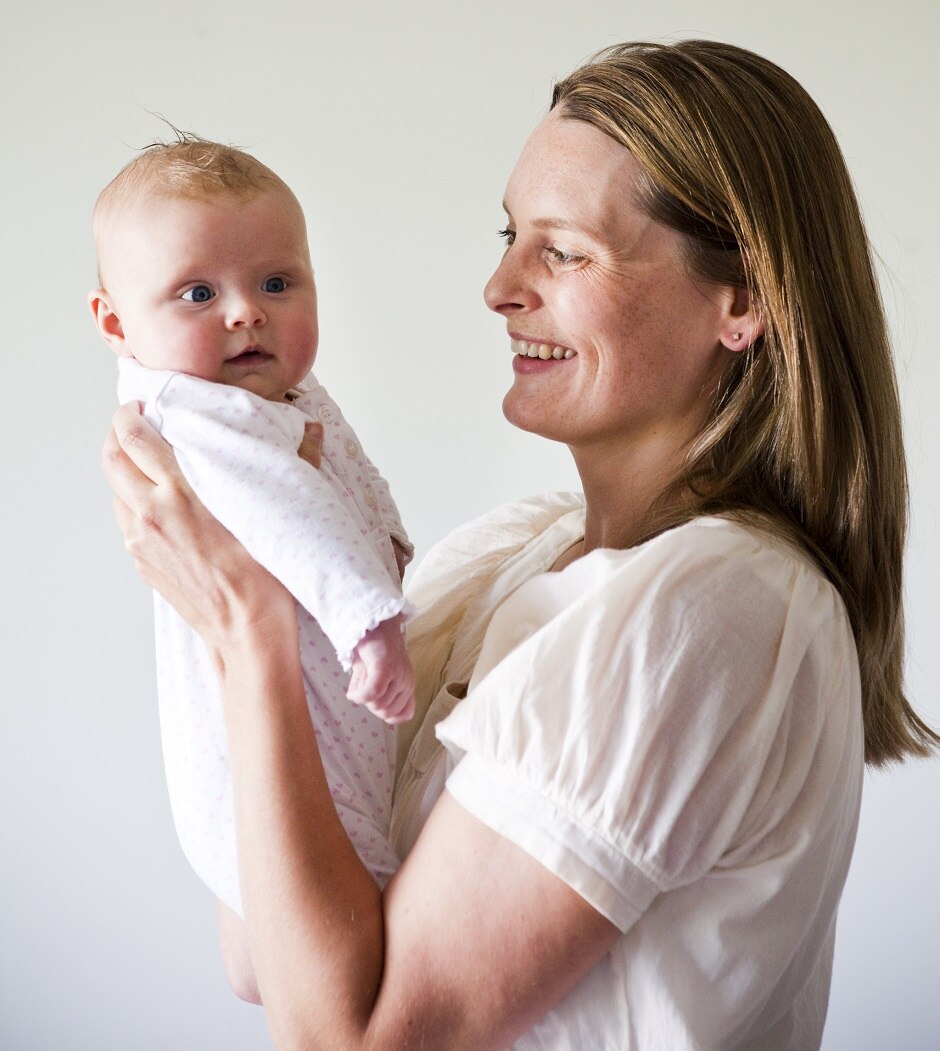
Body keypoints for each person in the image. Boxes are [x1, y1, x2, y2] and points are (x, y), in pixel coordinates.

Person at [103, 41, 938, 1048]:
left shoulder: (711, 603)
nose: (499, 285)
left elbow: (345, 1038)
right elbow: (264, 958)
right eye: (509, 235)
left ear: (742, 299)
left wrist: (246, 629)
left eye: (564, 249)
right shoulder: (504, 557)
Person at [89, 138, 415, 917]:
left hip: (311, 700)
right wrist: (369, 618)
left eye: (277, 281)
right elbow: (290, 508)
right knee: (352, 874)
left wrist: (392, 538)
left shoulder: (277, 394)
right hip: (266, 747)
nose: (246, 310)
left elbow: (350, 475)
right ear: (116, 322)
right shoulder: (193, 413)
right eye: (197, 293)